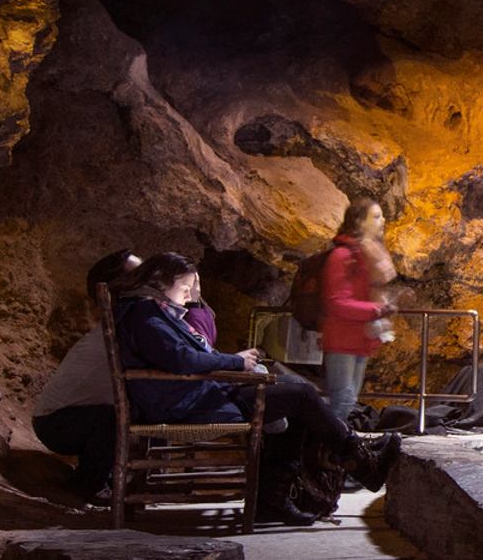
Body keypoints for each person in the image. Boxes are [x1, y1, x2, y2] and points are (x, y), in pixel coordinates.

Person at [116, 253, 400, 523]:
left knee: (294, 393)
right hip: (185, 402)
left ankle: (275, 498)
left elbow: (182, 356)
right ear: (159, 283)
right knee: (300, 395)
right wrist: (236, 362)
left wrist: (233, 364)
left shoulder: (152, 314)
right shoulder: (146, 317)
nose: (191, 296)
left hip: (195, 394)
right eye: (185, 287)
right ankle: (362, 461)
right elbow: (182, 358)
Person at [31, 249, 141, 498]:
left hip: (72, 417)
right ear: (118, 290)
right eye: (138, 276)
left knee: (120, 413)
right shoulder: (119, 333)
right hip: (55, 423)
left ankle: (106, 476)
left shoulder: (123, 329)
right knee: (112, 417)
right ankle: (88, 485)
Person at [319, 198, 396, 424]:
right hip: (342, 339)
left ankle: (333, 452)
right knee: (341, 402)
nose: (383, 220)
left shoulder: (363, 256)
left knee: (348, 401)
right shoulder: (342, 256)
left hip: (359, 338)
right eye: (376, 216)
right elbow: (336, 302)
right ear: (360, 221)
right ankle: (326, 452)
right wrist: (377, 310)